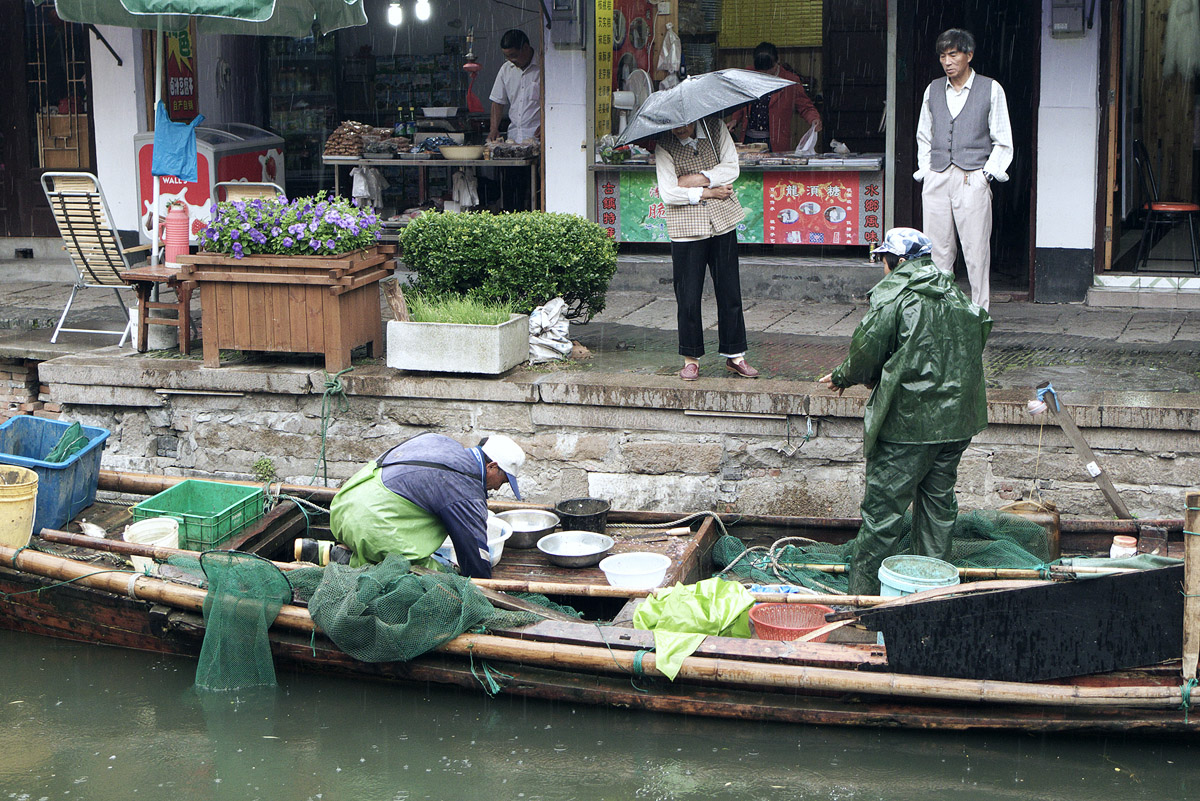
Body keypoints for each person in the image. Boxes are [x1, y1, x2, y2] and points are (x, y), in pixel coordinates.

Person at [818, 227, 991, 595]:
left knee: (882, 516)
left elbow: (867, 348)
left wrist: (842, 377)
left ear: (896, 262)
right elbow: (980, 331)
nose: (881, 267)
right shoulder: (954, 294)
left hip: (908, 426)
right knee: (937, 512)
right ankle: (928, 597)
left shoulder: (896, 296)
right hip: (956, 424)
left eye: (883, 260)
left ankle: (862, 603)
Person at [329, 432, 525, 579]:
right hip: (372, 526)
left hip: (344, 506)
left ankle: (336, 552)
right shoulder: (466, 489)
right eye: (504, 481)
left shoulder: (442, 442)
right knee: (438, 578)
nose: (499, 488)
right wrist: (484, 591)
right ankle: (351, 562)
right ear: (492, 467)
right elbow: (474, 553)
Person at [914, 28, 1013, 312]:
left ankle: (979, 312)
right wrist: (926, 171)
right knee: (938, 251)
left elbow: (1003, 141)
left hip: (973, 177)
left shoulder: (990, 88)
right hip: (937, 175)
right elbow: (924, 134)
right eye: (943, 56)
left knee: (976, 250)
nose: (947, 61)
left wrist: (986, 175)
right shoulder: (932, 90)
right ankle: (940, 310)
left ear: (969, 55)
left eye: (953, 54)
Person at [655, 114, 759, 380]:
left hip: (722, 221)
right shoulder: (664, 144)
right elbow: (668, 192)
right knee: (688, 296)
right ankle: (691, 358)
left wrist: (692, 180)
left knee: (729, 291)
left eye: (683, 123)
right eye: (674, 124)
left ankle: (735, 356)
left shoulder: (715, 128)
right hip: (686, 230)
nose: (679, 129)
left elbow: (731, 169)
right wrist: (709, 190)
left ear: (694, 117)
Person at [728, 42, 821, 153]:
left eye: (768, 70)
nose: (765, 73)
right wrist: (735, 120)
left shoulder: (789, 81)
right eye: (761, 71)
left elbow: (805, 107)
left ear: (777, 62)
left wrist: (814, 119)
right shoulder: (748, 75)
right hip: (749, 140)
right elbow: (741, 101)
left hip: (776, 141)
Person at [488, 29, 541, 210]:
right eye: (507, 56)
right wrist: (493, 128)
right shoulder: (506, 70)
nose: (511, 60)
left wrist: (547, 125)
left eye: (514, 55)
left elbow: (554, 101)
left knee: (535, 191)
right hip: (513, 143)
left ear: (526, 48)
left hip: (537, 142)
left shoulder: (543, 66)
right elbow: (497, 102)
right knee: (511, 191)